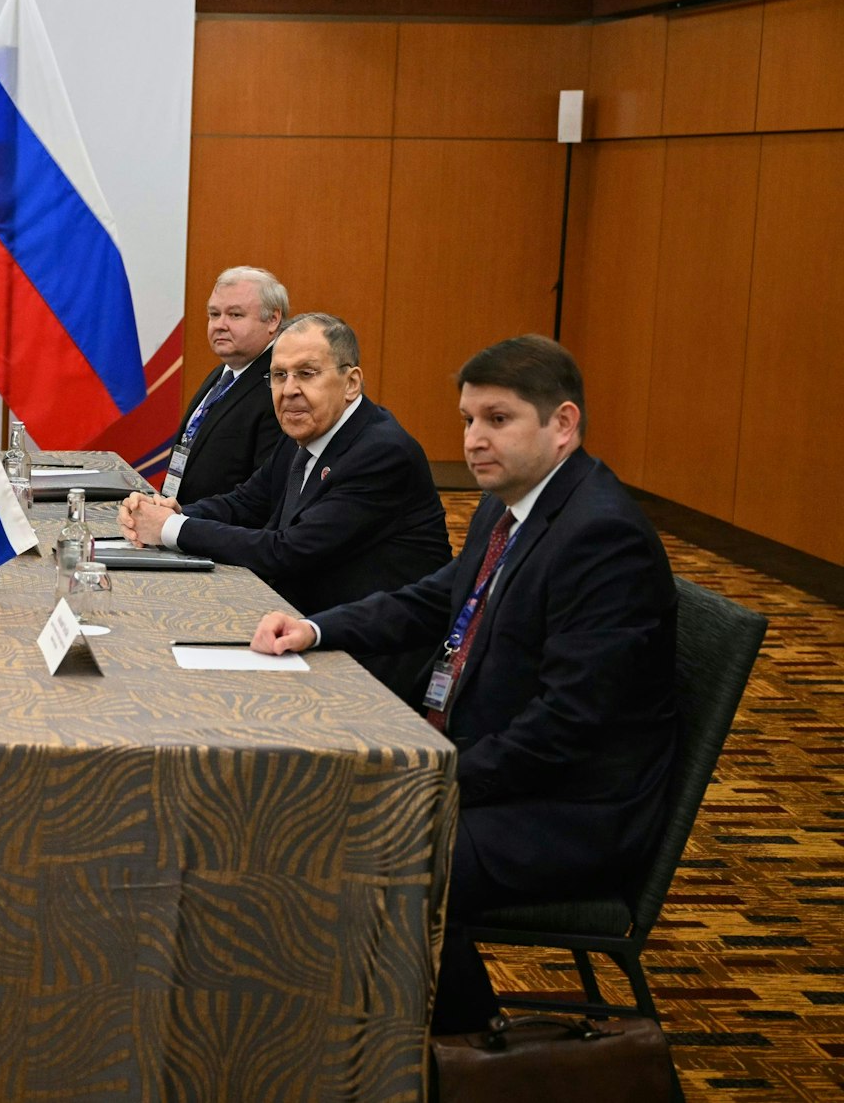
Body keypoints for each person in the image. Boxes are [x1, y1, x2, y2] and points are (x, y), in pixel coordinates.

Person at [249, 335, 678, 1034]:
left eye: (498, 420)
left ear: (563, 424)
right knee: (304, 803)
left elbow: (566, 726)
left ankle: (468, 1052)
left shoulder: (602, 537)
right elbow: (435, 597)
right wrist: (316, 629)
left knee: (362, 848)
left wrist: (429, 774)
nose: (475, 439)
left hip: (567, 810)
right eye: (468, 420)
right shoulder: (510, 505)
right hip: (491, 762)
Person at [119, 313, 450, 697]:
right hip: (294, 629)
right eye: (279, 375)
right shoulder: (304, 432)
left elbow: (289, 551)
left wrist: (170, 529)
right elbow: (246, 503)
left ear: (351, 383)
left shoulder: (381, 453)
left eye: (307, 374)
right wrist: (169, 512)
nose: (289, 390)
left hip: (366, 662)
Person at [158, 266, 289, 504]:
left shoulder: (280, 386)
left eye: (235, 315)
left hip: (221, 524)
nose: (220, 324)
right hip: (181, 517)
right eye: (214, 314)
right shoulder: (225, 372)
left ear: (273, 320)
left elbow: (264, 493)